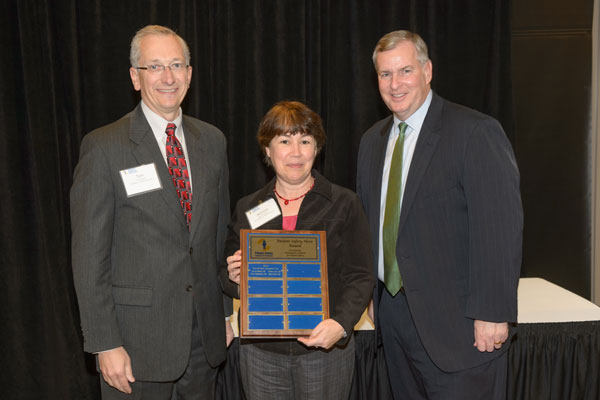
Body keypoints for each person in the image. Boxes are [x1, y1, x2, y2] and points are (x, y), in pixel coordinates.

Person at [356, 30, 523, 399]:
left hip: (460, 326)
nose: (395, 84)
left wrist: (493, 312)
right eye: (385, 74)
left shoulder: (474, 132)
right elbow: (369, 222)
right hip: (394, 318)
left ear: (427, 71)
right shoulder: (372, 142)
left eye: (405, 71)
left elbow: (499, 227)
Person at [71, 25, 233, 400]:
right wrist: (104, 343)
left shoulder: (212, 141)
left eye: (177, 64)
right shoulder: (104, 147)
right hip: (134, 344)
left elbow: (216, 237)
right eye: (155, 66)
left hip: (203, 341)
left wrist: (223, 312)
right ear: (135, 77)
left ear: (190, 74)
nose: (168, 76)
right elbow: (88, 257)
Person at [222, 101, 374, 400]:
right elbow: (225, 277)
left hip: (325, 350)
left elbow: (361, 275)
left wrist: (341, 325)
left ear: (316, 148)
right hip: (261, 354)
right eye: (284, 141)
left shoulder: (344, 203)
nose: (295, 152)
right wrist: (235, 277)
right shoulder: (248, 207)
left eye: (305, 141)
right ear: (267, 150)